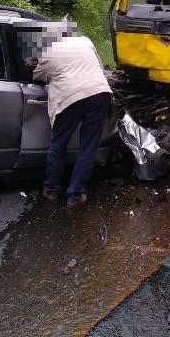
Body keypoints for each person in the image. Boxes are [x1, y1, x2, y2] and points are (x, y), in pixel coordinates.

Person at [33, 21, 112, 208]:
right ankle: (74, 196)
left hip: (69, 98)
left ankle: (51, 191)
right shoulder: (85, 41)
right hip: (98, 93)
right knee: (88, 148)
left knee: (58, 144)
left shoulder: (48, 52)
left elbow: (37, 76)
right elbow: (100, 68)